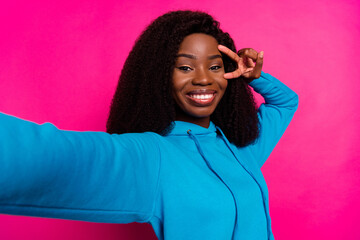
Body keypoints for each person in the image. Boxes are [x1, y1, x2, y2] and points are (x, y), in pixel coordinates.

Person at [0, 10, 298, 240]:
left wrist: (253, 76)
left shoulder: (240, 146)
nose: (204, 78)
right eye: (184, 67)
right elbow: (48, 155)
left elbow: (286, 102)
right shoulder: (152, 156)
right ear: (159, 76)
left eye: (215, 66)